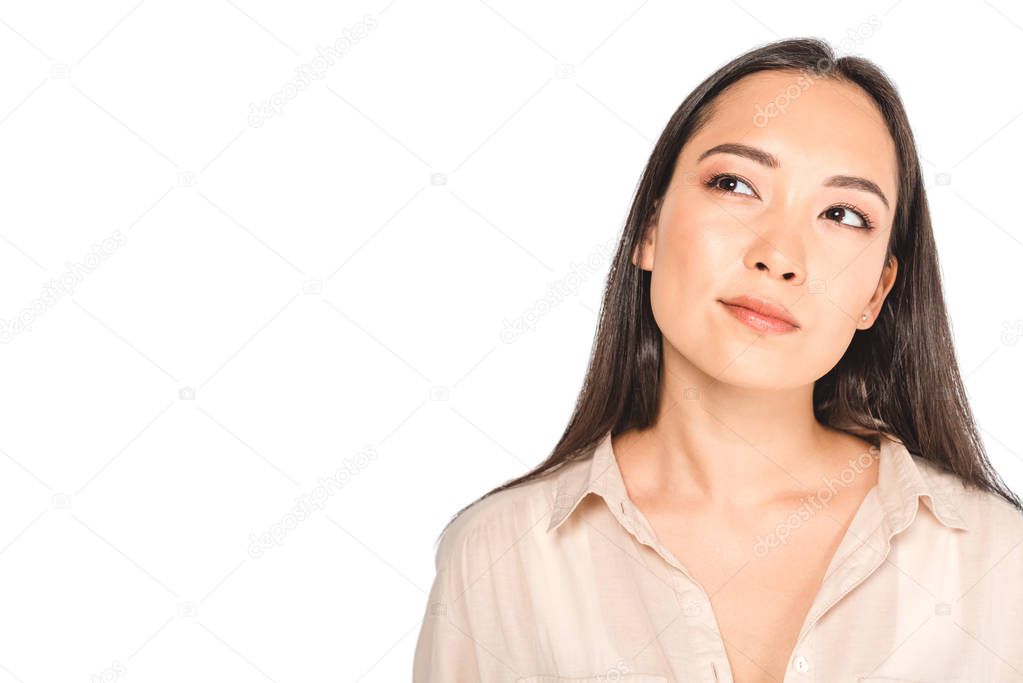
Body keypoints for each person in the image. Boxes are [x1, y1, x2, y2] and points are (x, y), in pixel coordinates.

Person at [412, 37, 1023, 682]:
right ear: (649, 229)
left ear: (877, 291)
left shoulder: (998, 560)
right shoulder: (500, 556)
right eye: (735, 184)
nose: (780, 255)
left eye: (842, 214)